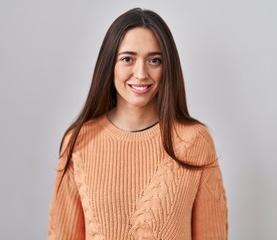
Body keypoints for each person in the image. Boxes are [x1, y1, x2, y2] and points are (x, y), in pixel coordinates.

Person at [48, 8, 228, 240]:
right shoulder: (79, 140)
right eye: (127, 59)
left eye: (154, 60)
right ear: (109, 64)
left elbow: (212, 235)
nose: (141, 73)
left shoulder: (194, 140)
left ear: (168, 67)